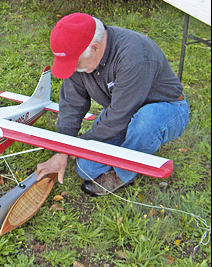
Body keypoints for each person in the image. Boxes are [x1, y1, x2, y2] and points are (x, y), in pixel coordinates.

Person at [36, 13, 189, 196]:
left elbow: (118, 116)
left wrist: (78, 146)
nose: (75, 70)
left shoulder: (134, 56)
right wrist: (62, 149)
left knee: (146, 122)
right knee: (86, 169)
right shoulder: (79, 55)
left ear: (94, 48)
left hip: (167, 109)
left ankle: (124, 174)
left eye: (76, 64)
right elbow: (72, 104)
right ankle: (135, 145)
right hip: (124, 110)